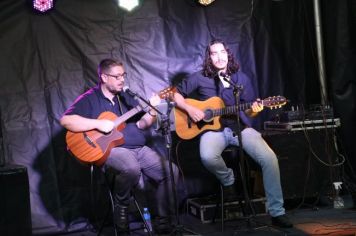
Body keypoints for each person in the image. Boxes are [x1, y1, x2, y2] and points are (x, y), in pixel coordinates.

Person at [173, 39, 293, 228]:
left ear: (228, 54)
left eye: (222, 52)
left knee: (269, 159)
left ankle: (277, 212)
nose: (219, 57)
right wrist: (189, 109)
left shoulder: (240, 78)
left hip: (239, 128)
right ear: (209, 57)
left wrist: (256, 108)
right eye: (214, 53)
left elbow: (249, 111)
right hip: (213, 130)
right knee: (207, 156)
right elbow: (176, 94)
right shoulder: (198, 77)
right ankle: (228, 179)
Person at [60, 58, 178, 234]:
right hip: (111, 150)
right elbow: (66, 120)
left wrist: (152, 110)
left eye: (123, 75)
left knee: (171, 172)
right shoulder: (90, 98)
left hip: (138, 148)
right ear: (104, 77)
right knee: (131, 168)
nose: (122, 80)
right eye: (117, 76)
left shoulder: (126, 96)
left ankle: (162, 222)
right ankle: (121, 205)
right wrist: (98, 124)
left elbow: (143, 124)